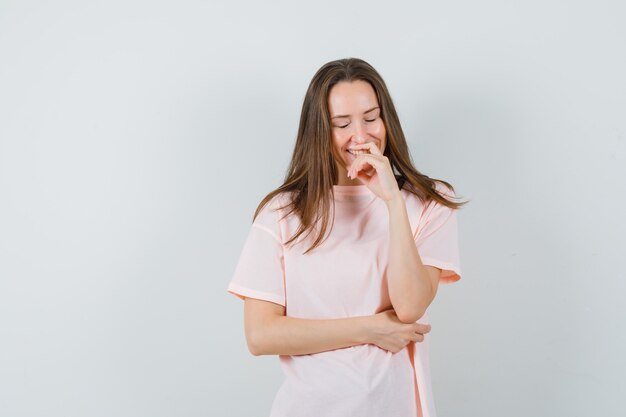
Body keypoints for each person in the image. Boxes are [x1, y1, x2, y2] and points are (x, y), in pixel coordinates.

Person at [227, 57, 468, 417]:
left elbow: (410, 307)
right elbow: (260, 336)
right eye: (342, 124)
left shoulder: (430, 202)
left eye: (371, 118)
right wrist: (370, 329)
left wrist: (393, 203)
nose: (362, 134)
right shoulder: (283, 213)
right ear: (320, 131)